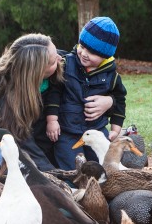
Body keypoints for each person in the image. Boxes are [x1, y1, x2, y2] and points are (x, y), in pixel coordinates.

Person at [0, 33, 63, 171]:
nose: (61, 59)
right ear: (36, 72)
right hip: (12, 148)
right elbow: (25, 146)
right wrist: (55, 175)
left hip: (43, 142)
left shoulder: (54, 57)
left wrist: (110, 101)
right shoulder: (1, 99)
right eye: (54, 61)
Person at [53, 16, 127, 169]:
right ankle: (73, 189)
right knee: (71, 165)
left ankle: (102, 188)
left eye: (92, 52)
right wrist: (52, 120)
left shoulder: (111, 76)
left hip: (97, 130)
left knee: (103, 164)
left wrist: (115, 128)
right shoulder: (67, 64)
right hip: (67, 131)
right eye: (82, 46)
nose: (84, 53)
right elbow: (55, 91)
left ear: (105, 56)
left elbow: (120, 98)